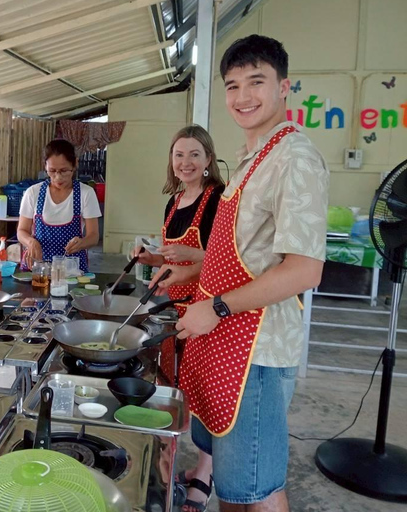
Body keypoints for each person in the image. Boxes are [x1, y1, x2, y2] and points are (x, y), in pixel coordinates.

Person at [149, 35, 328, 511]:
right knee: (231, 485)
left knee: (258, 488)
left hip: (258, 351)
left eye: (257, 82)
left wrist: (218, 305)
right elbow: (246, 255)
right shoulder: (253, 158)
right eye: (233, 86)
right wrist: (193, 268)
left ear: (284, 86)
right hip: (224, 341)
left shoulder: (295, 158)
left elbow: (305, 270)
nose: (243, 96)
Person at [131, 125, 224, 512]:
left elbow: (224, 263)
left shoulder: (217, 200)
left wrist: (187, 271)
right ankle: (171, 457)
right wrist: (148, 256)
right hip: (173, 309)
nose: (185, 163)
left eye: (194, 155)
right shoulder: (174, 202)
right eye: (179, 155)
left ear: (208, 161)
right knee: (175, 387)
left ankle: (206, 471)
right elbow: (172, 255)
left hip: (206, 311)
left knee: (206, 393)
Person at [17, 139, 101, 272]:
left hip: (71, 269)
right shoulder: (33, 193)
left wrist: (82, 243)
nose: (57, 177)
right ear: (45, 166)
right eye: (52, 171)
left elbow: (93, 236)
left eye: (64, 171)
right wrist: (30, 242)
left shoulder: (86, 194)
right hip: (38, 267)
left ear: (75, 164)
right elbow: (21, 231)